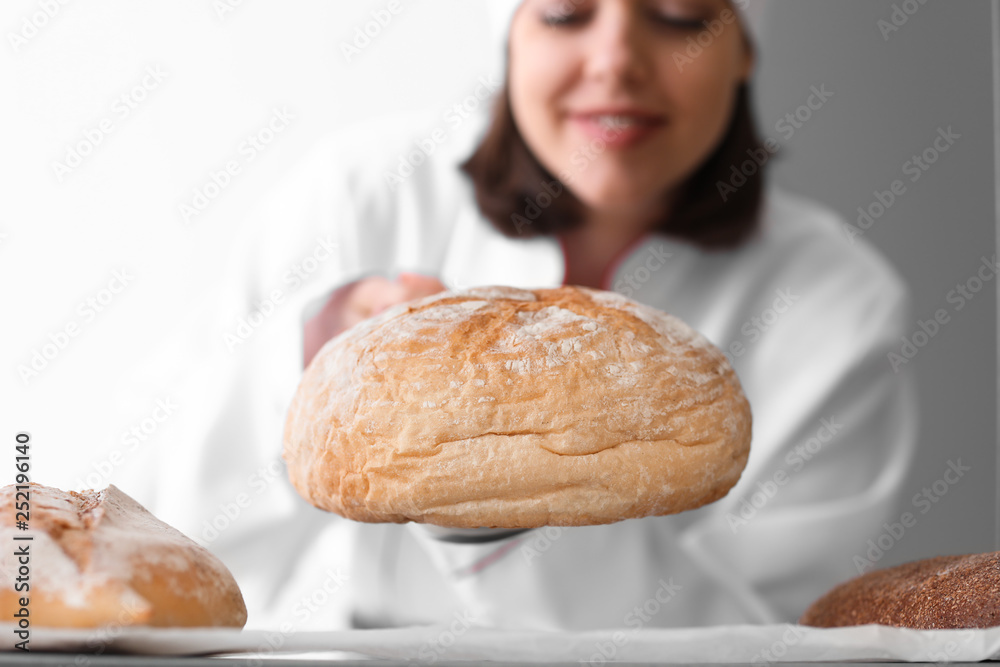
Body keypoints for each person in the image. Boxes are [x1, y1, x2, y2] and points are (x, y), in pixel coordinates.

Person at [114, 0, 917, 631]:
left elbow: (775, 643)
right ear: (509, 37)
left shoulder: (831, 301)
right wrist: (309, 357)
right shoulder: (360, 197)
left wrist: (499, 506)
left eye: (677, 16)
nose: (615, 62)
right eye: (565, 14)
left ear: (744, 46)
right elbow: (137, 548)